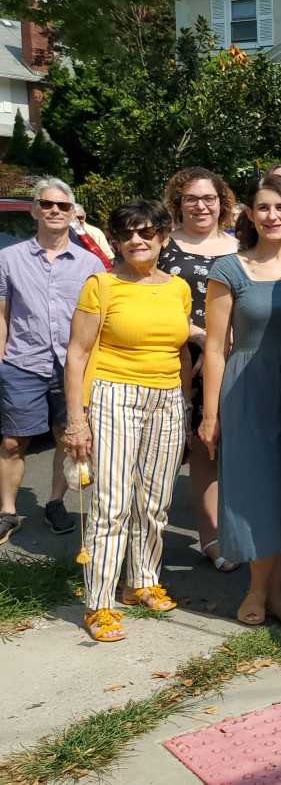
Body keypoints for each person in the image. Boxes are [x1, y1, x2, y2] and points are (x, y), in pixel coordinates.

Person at [62, 200, 193, 642]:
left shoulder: (177, 288)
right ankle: (100, 601)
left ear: (162, 237)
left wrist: (188, 404)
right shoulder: (101, 284)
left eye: (147, 233)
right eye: (127, 234)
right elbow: (77, 353)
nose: (137, 241)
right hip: (114, 394)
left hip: (168, 397)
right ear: (115, 241)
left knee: (155, 501)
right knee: (111, 503)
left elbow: (181, 351)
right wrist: (77, 420)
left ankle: (142, 580)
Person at [198, 174, 281, 632]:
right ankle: (260, 590)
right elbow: (212, 346)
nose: (272, 216)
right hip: (247, 387)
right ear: (249, 213)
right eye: (263, 208)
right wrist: (210, 413)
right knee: (258, 491)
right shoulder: (228, 268)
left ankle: (274, 592)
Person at [0, 179, 105, 545]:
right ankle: (8, 511)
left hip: (71, 365)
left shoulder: (91, 263)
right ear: (34, 210)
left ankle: (55, 502)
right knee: (13, 442)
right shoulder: (8, 259)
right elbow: (1, 314)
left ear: (74, 212)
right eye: (46, 204)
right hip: (21, 362)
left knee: (66, 435)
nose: (54, 211)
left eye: (62, 206)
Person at [158, 167, 240, 575]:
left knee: (214, 447)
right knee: (169, 449)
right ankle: (144, 535)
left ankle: (213, 537)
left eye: (209, 198)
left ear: (222, 202)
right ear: (178, 203)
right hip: (175, 360)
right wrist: (199, 338)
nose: (201, 205)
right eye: (191, 198)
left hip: (231, 360)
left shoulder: (240, 246)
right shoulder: (162, 246)